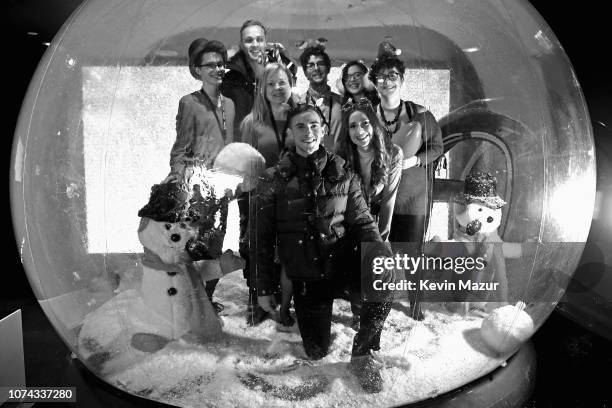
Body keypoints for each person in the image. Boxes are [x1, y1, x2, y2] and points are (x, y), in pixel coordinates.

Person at [252, 103, 395, 393]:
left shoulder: (345, 173)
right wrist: (263, 287)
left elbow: (365, 224)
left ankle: (364, 353)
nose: (308, 132)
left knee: (384, 277)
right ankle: (311, 324)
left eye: (314, 125)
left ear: (325, 129)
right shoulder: (272, 179)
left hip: (341, 267)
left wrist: (380, 255)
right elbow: (261, 240)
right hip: (307, 278)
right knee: (316, 351)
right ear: (290, 133)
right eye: (300, 126)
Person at [370, 41, 443, 320]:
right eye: (381, 76)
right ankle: (377, 300)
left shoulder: (421, 114)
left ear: (401, 80)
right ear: (375, 82)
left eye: (392, 76)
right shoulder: (368, 117)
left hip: (412, 197)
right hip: (379, 197)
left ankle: (415, 302)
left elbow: (436, 147)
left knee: (412, 252)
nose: (387, 81)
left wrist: (416, 161)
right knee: (377, 249)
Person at [164, 38, 235, 313]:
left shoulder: (229, 104)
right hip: (195, 187)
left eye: (221, 64)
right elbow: (180, 147)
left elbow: (228, 147)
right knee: (192, 247)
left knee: (215, 245)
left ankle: (205, 300)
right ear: (197, 69)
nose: (217, 69)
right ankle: (189, 303)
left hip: (220, 186)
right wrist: (176, 176)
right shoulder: (189, 103)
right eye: (210, 65)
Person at [240, 62, 299, 327]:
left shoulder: (302, 117)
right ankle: (257, 297)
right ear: (262, 88)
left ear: (291, 85)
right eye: (271, 83)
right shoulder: (251, 123)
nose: (277, 88)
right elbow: (245, 162)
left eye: (282, 82)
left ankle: (285, 301)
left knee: (287, 250)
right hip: (261, 194)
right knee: (258, 248)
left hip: (293, 196)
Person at [336, 98, 402, 329]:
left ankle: (372, 309)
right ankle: (357, 310)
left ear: (374, 124)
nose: (359, 131)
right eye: (352, 126)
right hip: (349, 215)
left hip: (374, 213)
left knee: (376, 261)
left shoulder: (393, 153)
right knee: (355, 264)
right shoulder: (342, 155)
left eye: (364, 123)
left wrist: (381, 238)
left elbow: (389, 199)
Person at [298, 45, 342, 151]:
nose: (316, 68)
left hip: (337, 164)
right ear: (305, 73)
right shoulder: (298, 105)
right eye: (311, 65)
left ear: (328, 68)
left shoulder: (342, 103)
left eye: (320, 64)